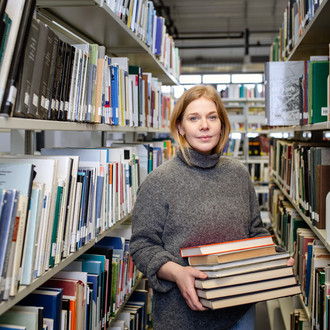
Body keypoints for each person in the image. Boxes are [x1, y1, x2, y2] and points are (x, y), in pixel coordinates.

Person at [130, 85, 290, 329]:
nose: (204, 126)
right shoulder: (159, 182)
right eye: (194, 118)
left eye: (211, 117)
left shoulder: (238, 174)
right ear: (181, 127)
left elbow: (255, 231)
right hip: (184, 316)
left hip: (240, 311)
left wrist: (272, 259)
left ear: (222, 125)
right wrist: (178, 273)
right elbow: (142, 246)